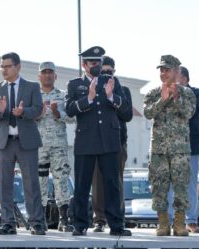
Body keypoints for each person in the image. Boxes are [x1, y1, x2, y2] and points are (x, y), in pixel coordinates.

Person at [65, 46, 131, 236]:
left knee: (112, 185)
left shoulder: (112, 82)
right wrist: (89, 98)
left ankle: (117, 225)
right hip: (86, 142)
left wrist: (111, 96)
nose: (97, 65)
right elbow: (69, 110)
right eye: (93, 62)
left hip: (110, 141)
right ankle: (80, 224)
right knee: (82, 185)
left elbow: (126, 113)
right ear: (83, 64)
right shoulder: (75, 84)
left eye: (99, 62)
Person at [0, 52, 45, 235]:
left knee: (31, 183)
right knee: (4, 184)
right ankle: (8, 223)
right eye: (1, 66)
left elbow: (37, 109)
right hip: (4, 143)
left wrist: (23, 111)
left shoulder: (32, 87)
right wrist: (0, 110)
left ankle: (36, 223)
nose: (3, 69)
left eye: (7, 66)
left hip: (26, 142)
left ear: (18, 67)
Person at [144, 54, 195, 236]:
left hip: (180, 150)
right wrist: (163, 99)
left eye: (167, 70)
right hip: (158, 149)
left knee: (181, 186)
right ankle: (163, 223)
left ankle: (180, 223)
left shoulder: (187, 93)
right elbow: (148, 113)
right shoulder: (152, 93)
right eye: (161, 70)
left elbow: (189, 113)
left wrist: (175, 98)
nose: (163, 73)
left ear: (176, 71)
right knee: (159, 186)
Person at [91, 55, 133, 233]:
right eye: (103, 71)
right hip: (97, 143)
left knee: (116, 181)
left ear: (114, 71)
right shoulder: (92, 88)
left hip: (117, 142)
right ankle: (99, 220)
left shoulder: (123, 90)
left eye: (110, 71)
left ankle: (118, 218)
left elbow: (127, 115)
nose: (107, 74)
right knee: (98, 182)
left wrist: (112, 95)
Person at [167, 66, 199, 233]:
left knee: (190, 183)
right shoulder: (166, 92)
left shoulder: (198, 93)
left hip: (191, 144)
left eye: (175, 77)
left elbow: (192, 113)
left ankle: (191, 220)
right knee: (170, 184)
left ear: (185, 79)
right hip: (171, 145)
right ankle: (170, 221)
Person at [36, 61, 74, 232]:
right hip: (38, 146)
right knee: (40, 181)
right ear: (39, 76)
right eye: (44, 72)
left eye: (50, 72)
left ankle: (64, 220)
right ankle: (41, 219)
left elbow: (73, 118)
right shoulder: (33, 95)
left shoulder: (63, 95)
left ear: (55, 76)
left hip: (58, 146)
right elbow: (25, 117)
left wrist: (58, 113)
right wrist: (38, 114)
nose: (47, 75)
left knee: (61, 180)